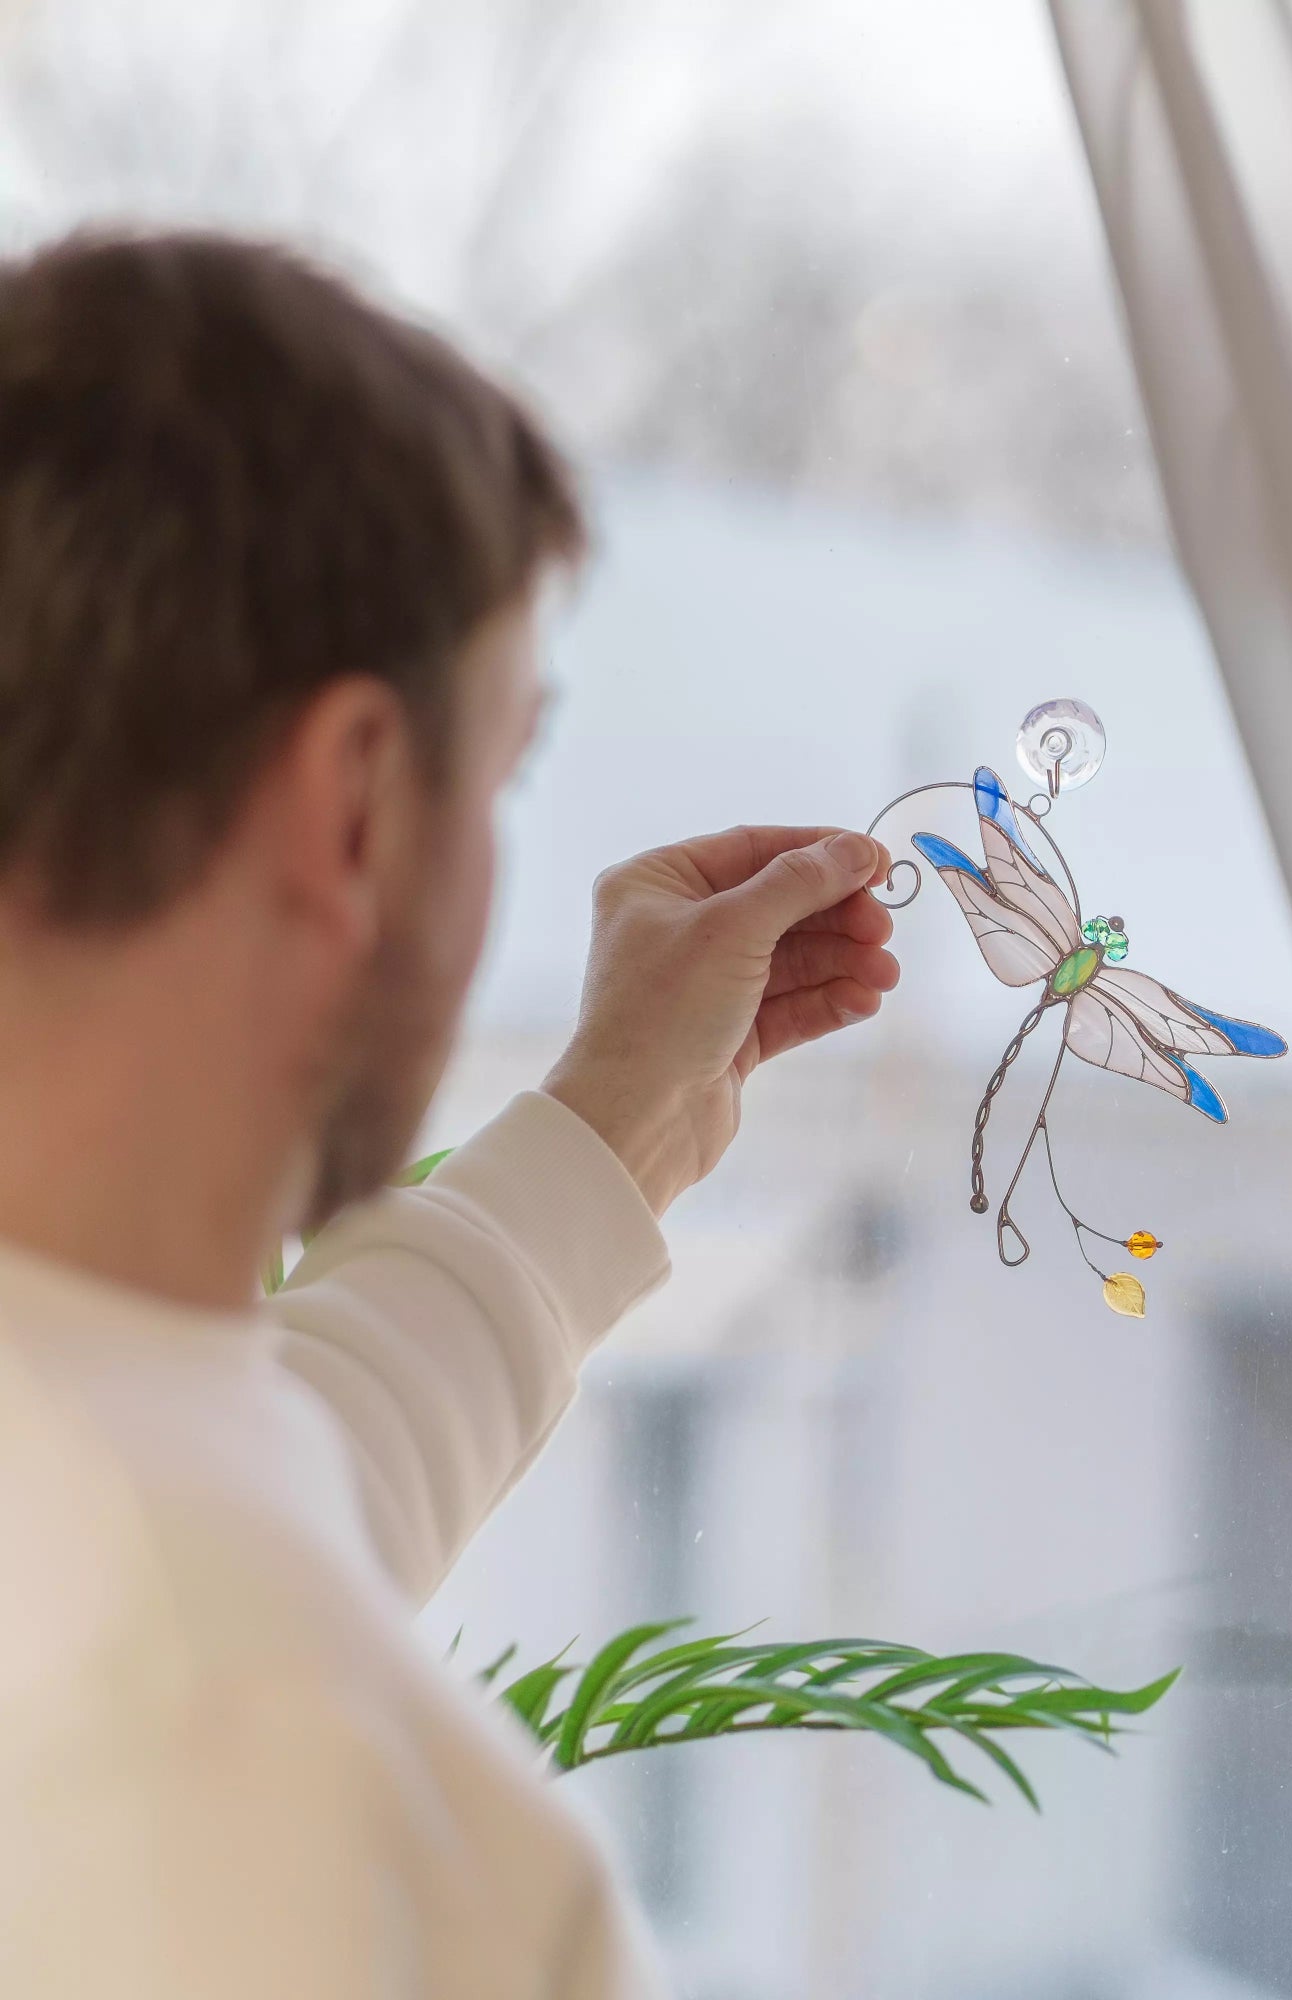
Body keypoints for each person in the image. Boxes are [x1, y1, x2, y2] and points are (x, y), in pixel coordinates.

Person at [0, 229, 901, 1996]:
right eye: (502, 769)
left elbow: (229, 1468)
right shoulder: (333, 1839)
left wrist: (609, 1129)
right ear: (354, 800)